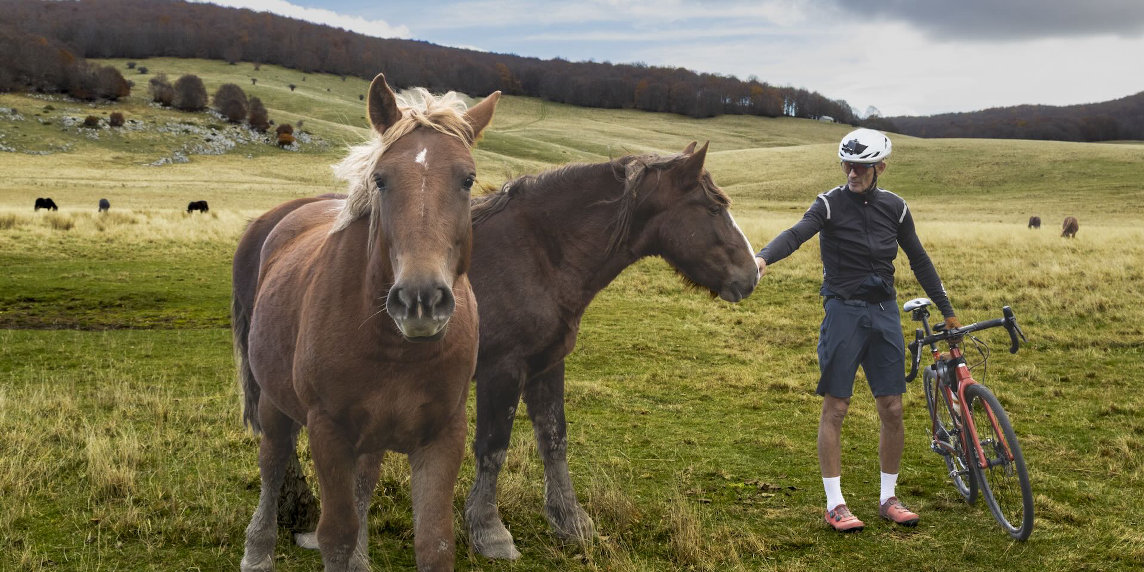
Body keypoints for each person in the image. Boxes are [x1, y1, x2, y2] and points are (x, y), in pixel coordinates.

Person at [755, 128, 959, 532]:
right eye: (847, 164)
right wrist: (762, 259)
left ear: (880, 166)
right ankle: (835, 504)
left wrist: (947, 310)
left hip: (884, 312)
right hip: (843, 312)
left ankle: (889, 498)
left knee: (893, 409)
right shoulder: (829, 204)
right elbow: (797, 234)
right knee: (837, 407)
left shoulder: (896, 208)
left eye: (861, 166)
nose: (852, 172)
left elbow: (918, 259)